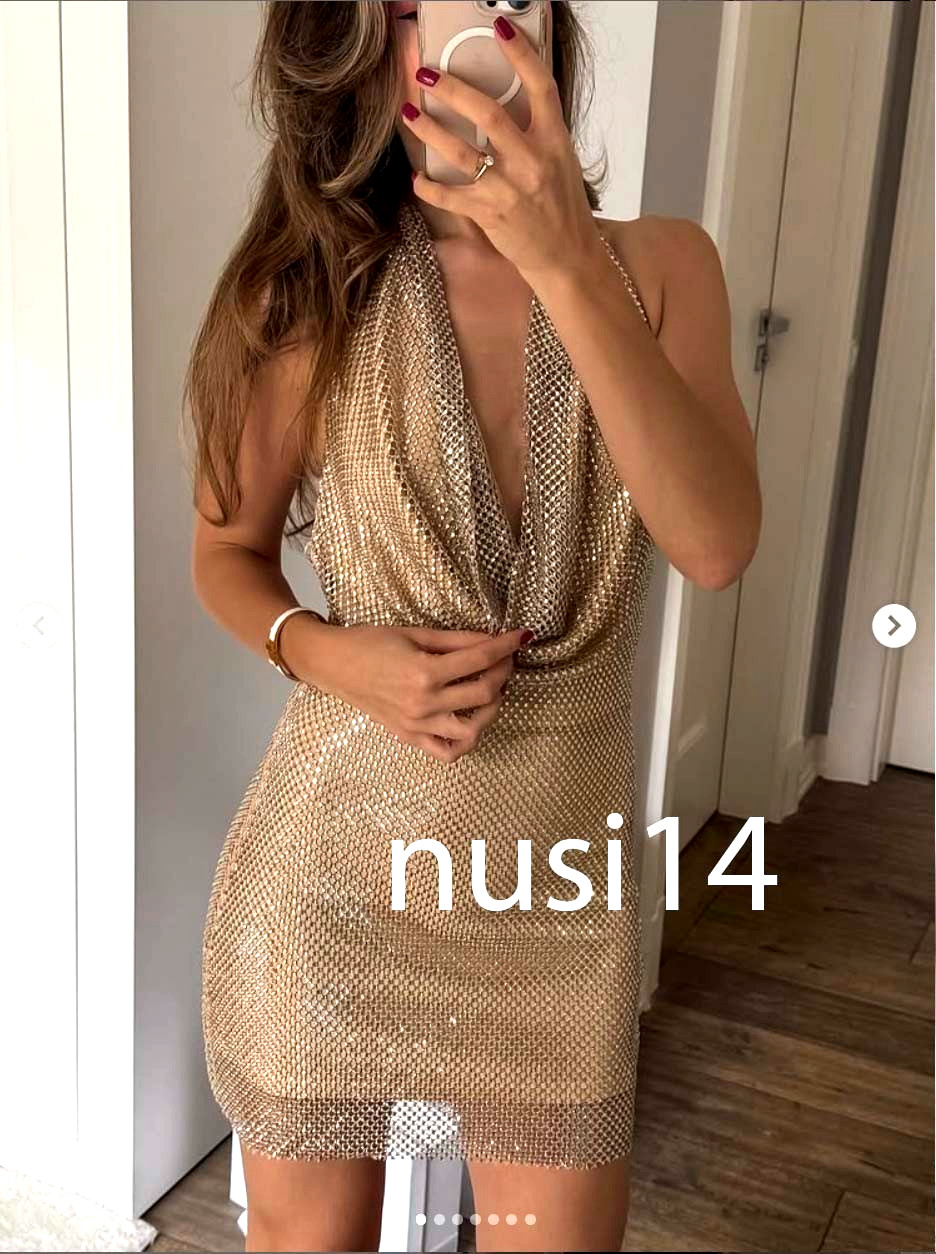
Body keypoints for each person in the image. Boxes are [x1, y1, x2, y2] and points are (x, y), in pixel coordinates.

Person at [187, 2, 761, 1251]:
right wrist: (328, 654)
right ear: (360, 47)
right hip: (334, 880)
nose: (456, 32)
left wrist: (563, 259)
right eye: (412, 8)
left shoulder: (666, 267)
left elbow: (716, 546)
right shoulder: (307, 288)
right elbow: (224, 559)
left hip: (558, 900)